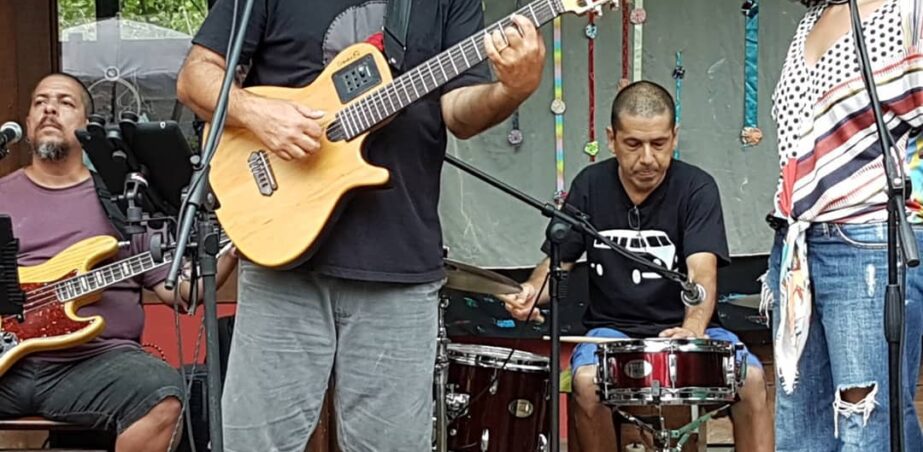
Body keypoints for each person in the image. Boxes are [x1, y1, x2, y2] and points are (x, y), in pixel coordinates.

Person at [175, 0, 545, 450]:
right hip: (281, 254)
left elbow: (458, 113)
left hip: (400, 262)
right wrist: (260, 114)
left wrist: (511, 90)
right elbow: (196, 76)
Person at [499, 81, 774, 452]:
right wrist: (532, 291)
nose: (647, 158)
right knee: (586, 382)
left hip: (688, 331)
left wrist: (692, 328)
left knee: (752, 380)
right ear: (611, 139)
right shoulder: (589, 185)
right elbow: (558, 262)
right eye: (633, 144)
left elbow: (702, 272)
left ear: (675, 137)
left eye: (659, 143)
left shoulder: (696, 188)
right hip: (609, 333)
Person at [0, 73, 238, 451]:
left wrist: (234, 248)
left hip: (93, 365)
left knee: (160, 395)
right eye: (40, 102)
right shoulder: (3, 194)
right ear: (28, 124)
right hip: (8, 364)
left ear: (86, 125)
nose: (50, 109)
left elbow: (183, 293)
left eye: (65, 102)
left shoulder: (122, 198)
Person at [766, 0, 923, 450]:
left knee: (867, 426)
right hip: (797, 244)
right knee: (800, 428)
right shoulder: (809, 22)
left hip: (868, 241)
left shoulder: (907, 11)